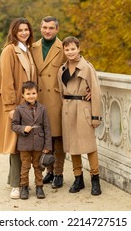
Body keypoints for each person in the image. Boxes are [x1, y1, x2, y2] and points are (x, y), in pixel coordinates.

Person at [31, 16, 91, 189]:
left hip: (56, 98)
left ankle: (58, 173)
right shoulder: (33, 46)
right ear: (40, 28)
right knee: (44, 136)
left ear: (57, 29)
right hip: (38, 98)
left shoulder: (62, 46)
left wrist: (89, 87)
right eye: (44, 27)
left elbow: (79, 62)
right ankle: (49, 170)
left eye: (51, 28)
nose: (47, 31)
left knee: (57, 138)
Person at [0, 17, 36, 199]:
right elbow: (7, 81)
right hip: (14, 104)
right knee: (17, 144)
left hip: (26, 104)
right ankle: (16, 185)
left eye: (26, 29)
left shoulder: (27, 50)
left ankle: (14, 179)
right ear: (14, 32)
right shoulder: (9, 51)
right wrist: (10, 107)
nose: (24, 33)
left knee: (22, 142)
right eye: (20, 30)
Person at [57, 36, 102, 196]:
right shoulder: (61, 69)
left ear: (79, 49)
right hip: (68, 109)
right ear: (64, 51)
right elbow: (61, 92)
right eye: (67, 49)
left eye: (73, 49)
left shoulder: (87, 68)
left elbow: (95, 92)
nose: (70, 52)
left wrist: (96, 116)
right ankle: (78, 178)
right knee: (72, 146)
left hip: (83, 108)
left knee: (89, 146)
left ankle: (95, 179)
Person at [11, 81, 52, 200]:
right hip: (24, 143)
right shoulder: (19, 109)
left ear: (37, 94)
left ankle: (39, 187)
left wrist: (47, 145)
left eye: (33, 93)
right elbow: (13, 125)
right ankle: (24, 187)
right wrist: (23, 128)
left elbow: (47, 128)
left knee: (38, 166)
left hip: (39, 144)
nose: (31, 96)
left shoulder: (42, 109)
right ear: (23, 95)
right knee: (25, 166)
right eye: (28, 93)